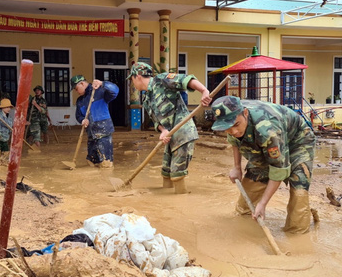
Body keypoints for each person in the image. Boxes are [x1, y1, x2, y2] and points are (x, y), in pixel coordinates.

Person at [210, 96, 315, 233]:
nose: (234, 131)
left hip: (298, 140)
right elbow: (234, 140)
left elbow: (278, 169)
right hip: (264, 139)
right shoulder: (232, 119)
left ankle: (297, 233)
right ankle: (246, 227)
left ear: (245, 113)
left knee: (299, 189)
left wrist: (263, 204)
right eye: (228, 128)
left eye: (236, 125)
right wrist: (236, 167)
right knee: (246, 200)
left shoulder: (268, 130)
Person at [127, 62, 210, 194]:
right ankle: (164, 199)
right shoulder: (147, 100)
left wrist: (204, 91)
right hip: (170, 136)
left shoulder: (162, 80)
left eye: (131, 79)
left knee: (177, 173)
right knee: (166, 172)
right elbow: (157, 122)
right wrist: (163, 131)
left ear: (138, 76)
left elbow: (187, 80)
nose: (132, 83)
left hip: (183, 133)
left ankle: (180, 200)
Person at [72, 74, 119, 168]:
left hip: (103, 132)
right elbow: (78, 115)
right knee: (92, 162)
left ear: (82, 83)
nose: (76, 91)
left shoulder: (100, 91)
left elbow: (115, 90)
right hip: (91, 134)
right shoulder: (80, 101)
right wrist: (82, 120)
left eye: (76, 88)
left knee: (106, 164)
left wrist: (102, 83)